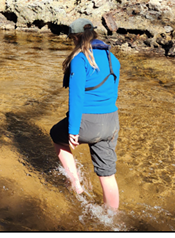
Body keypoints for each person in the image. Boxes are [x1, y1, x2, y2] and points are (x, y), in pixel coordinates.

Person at [49, 18, 121, 210]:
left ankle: (76, 184)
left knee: (57, 135)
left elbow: (77, 96)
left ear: (74, 38)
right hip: (112, 122)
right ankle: (112, 218)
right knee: (107, 174)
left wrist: (73, 130)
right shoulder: (112, 58)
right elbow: (113, 91)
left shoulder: (81, 59)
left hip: (88, 120)